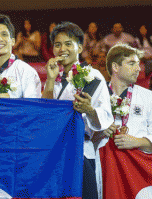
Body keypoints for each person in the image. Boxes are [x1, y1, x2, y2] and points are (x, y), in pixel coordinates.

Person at [41, 21, 113, 199]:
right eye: (57, 44)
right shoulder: (53, 79)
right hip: (53, 153)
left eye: (68, 44)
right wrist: (50, 80)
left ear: (80, 47)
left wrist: (89, 110)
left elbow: (104, 115)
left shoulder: (92, 76)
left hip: (80, 151)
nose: (62, 49)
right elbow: (44, 115)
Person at [96, 43, 152, 198]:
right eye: (132, 63)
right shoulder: (98, 96)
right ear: (115, 67)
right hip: (103, 167)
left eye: (138, 64)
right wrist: (99, 131)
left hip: (136, 172)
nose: (138, 69)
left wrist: (138, 141)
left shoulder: (148, 97)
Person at [0, 14, 41, 101]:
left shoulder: (26, 72)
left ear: (13, 41)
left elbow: (34, 108)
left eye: (4, 34)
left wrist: (11, 101)